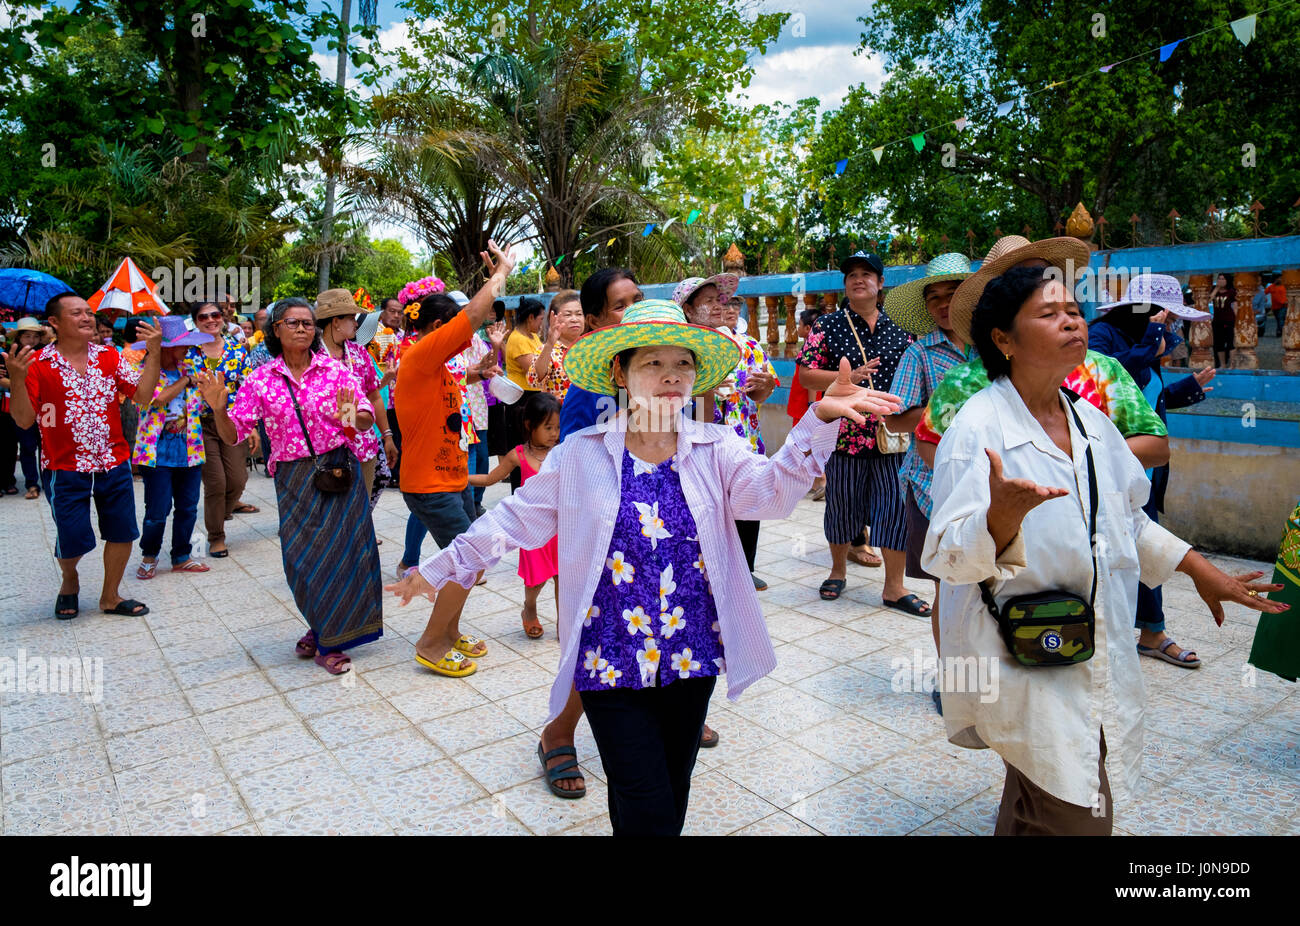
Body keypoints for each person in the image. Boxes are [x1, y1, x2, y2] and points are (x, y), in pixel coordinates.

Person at [388, 297, 903, 835]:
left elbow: (771, 497)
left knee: (671, 785)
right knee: (644, 797)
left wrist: (817, 420)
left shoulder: (718, 447)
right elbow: (512, 520)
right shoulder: (581, 454)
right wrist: (440, 567)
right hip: (608, 653)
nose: (670, 376)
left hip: (692, 654)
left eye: (682, 363)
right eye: (652, 363)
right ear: (621, 372)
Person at [922, 263, 1288, 836]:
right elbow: (946, 557)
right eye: (1049, 314)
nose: (1071, 322)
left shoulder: (1091, 421)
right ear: (1003, 340)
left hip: (1085, 639)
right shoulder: (976, 429)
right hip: (1017, 649)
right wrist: (998, 519)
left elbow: (1125, 519)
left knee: (1037, 791)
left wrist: (1198, 569)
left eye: (1074, 311)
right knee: (1077, 809)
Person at [196, 297, 382, 674]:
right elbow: (235, 435)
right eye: (293, 322)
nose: (302, 328)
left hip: (338, 471)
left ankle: (330, 640)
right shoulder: (260, 379)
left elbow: (363, 419)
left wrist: (347, 415)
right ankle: (321, 624)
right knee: (303, 558)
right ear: (275, 330)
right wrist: (217, 408)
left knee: (345, 555)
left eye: (308, 323)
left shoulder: (334, 370)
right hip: (294, 479)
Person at [397, 241, 516, 677]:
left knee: (466, 558)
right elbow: (472, 317)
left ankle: (449, 630)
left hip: (453, 478)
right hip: (429, 483)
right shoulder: (422, 352)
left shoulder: (438, 364)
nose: (460, 338)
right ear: (433, 329)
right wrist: (499, 273)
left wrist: (481, 370)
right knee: (470, 558)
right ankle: (432, 642)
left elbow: (457, 377)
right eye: (451, 330)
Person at [6, 292, 162, 619]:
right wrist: (18, 380)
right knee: (72, 536)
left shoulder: (109, 356)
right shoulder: (38, 364)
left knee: (121, 531)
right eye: (76, 313)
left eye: (89, 312)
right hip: (63, 466)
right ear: (54, 322)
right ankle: (69, 579)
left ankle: (110, 596)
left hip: (113, 460)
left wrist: (155, 354)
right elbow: (23, 419)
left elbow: (144, 395)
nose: (87, 318)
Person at [1090, 274, 1216, 668]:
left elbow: (1143, 400)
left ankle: (1152, 632)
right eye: (1168, 316)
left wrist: (1185, 389)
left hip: (1143, 472)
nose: (1174, 325)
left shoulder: (1150, 340)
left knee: (1145, 549)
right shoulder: (1104, 336)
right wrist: (1152, 339)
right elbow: (1104, 381)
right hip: (1102, 468)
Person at [797, 250, 923, 612]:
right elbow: (806, 373)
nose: (858, 279)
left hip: (891, 434)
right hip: (843, 434)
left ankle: (895, 587)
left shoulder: (902, 326)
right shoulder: (827, 325)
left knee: (895, 510)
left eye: (867, 273)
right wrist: (845, 379)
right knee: (841, 506)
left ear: (880, 283)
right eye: (852, 273)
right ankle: (837, 571)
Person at [879, 252, 977, 714]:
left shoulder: (999, 345)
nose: (942, 304)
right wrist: (945, 407)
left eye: (952, 293)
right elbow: (896, 420)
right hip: (931, 486)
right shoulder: (920, 352)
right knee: (950, 590)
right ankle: (952, 679)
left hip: (995, 486)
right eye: (934, 297)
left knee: (993, 586)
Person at [674, 273, 779, 592]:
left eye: (720, 299)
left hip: (744, 440)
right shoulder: (680, 350)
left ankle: (745, 569)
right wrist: (704, 389)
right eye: (708, 300)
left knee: (748, 505)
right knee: (704, 510)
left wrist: (764, 387)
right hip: (696, 447)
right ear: (688, 311)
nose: (719, 306)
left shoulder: (746, 344)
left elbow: (764, 390)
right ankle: (706, 574)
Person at [469, 391, 562, 639]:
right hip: (531, 531)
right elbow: (490, 478)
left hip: (559, 529)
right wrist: (461, 479)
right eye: (548, 427)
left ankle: (564, 622)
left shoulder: (562, 452)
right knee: (535, 581)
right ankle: (529, 608)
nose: (554, 434)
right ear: (530, 426)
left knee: (561, 578)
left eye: (557, 427)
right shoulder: (518, 455)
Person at [130, 316, 213, 578]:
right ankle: (149, 555)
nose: (187, 350)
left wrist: (205, 390)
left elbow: (199, 407)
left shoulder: (188, 369)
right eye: (182, 345)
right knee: (157, 510)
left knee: (188, 507)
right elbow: (156, 400)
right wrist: (185, 383)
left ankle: (181, 556)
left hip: (190, 451)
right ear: (164, 347)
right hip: (155, 453)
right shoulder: (146, 371)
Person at [189, 301, 258, 558]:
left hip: (233, 421)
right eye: (203, 316)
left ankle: (223, 511)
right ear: (196, 321)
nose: (210, 320)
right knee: (216, 482)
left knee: (238, 479)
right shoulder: (187, 352)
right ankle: (217, 536)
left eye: (215, 314)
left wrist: (251, 426)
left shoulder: (237, 351)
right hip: (201, 423)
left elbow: (248, 390)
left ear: (223, 317)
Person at [315, 289, 398, 496]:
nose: (356, 323)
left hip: (363, 446)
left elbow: (374, 395)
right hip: (324, 447)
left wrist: (387, 436)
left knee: (361, 507)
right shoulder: (311, 355)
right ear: (335, 322)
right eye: (351, 318)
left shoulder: (359, 354)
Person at [557, 268, 642, 441]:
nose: (634, 311)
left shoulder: (666, 369)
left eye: (638, 300)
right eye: (620, 306)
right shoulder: (586, 388)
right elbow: (569, 451)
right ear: (594, 321)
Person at [1, 317, 44, 498]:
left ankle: (48, 479)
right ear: (18, 337)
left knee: (46, 445)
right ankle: (31, 484)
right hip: (19, 405)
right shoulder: (8, 355)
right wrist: (20, 384)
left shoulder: (46, 353)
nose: (32, 340)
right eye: (27, 336)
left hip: (44, 407)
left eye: (35, 336)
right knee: (27, 446)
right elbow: (2, 380)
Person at [789, 308, 825, 500]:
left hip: (804, 406)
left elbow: (811, 380)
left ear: (808, 328)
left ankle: (821, 480)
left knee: (805, 444)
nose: (797, 328)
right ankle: (814, 481)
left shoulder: (811, 349)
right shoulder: (812, 346)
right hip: (802, 404)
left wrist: (811, 405)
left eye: (800, 325)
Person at [528, 289, 584, 402]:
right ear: (554, 318)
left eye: (579, 314)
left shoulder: (591, 348)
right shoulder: (548, 350)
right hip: (559, 416)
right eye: (568, 314)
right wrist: (549, 344)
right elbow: (534, 379)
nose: (575, 319)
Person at [1210, 273, 1235, 368]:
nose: (1221, 281)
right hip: (1217, 321)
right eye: (1219, 279)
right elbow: (1209, 299)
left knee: (1230, 343)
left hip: (1229, 320)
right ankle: (1223, 364)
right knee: (1218, 344)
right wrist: (1216, 289)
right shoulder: (1214, 290)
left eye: (1223, 279)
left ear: (1227, 280)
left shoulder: (1231, 292)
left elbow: (1235, 306)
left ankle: (1232, 365)